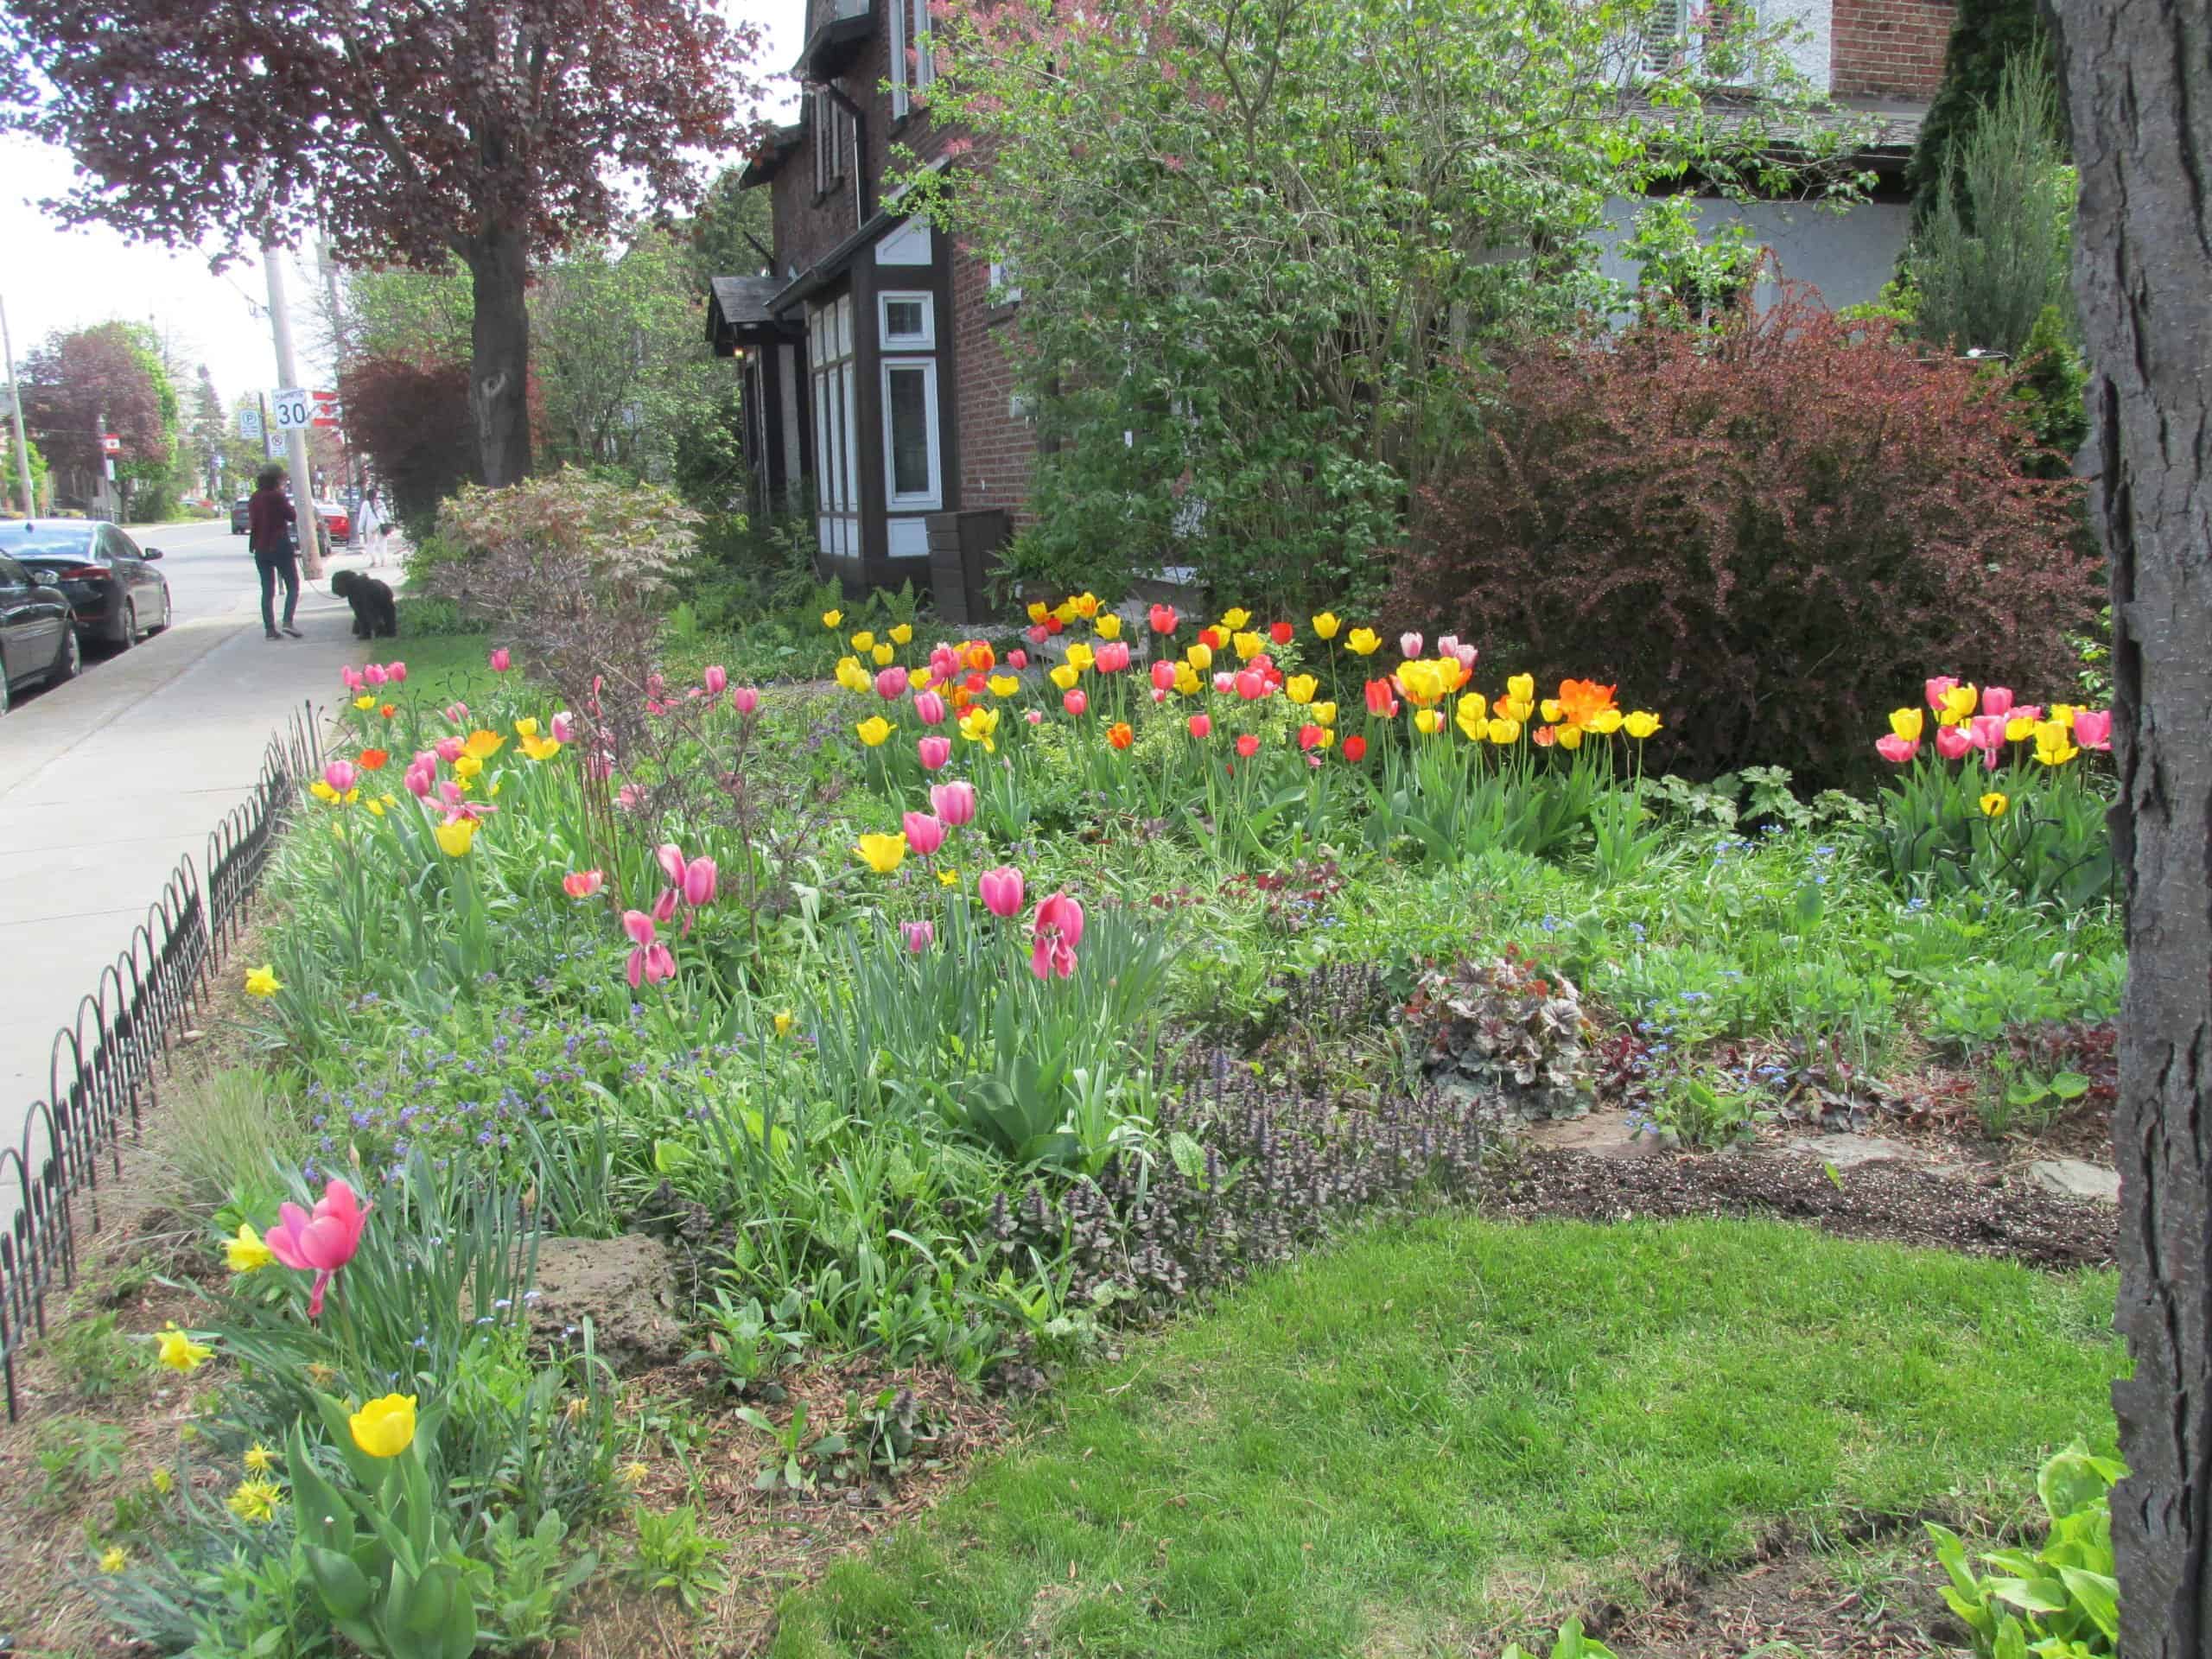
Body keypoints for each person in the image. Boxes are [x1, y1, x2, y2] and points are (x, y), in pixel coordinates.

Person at [246, 463, 302, 640]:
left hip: (260, 547)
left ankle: (270, 629)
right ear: (277, 480)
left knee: (267, 589)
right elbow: (291, 516)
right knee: (292, 584)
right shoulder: (277, 496)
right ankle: (287, 622)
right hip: (279, 544)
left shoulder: (254, 497)